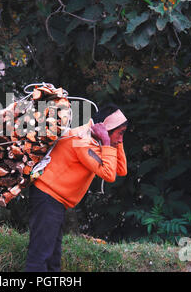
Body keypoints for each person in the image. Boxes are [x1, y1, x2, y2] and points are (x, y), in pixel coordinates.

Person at [25, 102, 128, 272]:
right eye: (121, 133)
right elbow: (109, 175)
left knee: (52, 259)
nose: (121, 138)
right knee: (40, 256)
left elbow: (121, 170)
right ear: (105, 130)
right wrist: (109, 142)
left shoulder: (95, 140)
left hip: (55, 200)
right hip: (47, 197)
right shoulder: (81, 140)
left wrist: (115, 141)